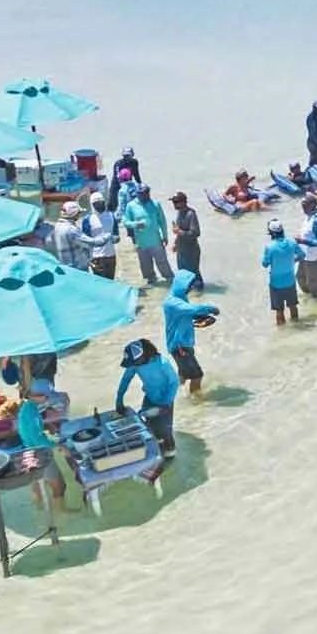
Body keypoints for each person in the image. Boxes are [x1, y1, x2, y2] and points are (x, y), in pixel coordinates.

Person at [115, 338, 180, 457]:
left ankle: (170, 451)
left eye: (134, 362)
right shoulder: (135, 365)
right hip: (149, 397)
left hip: (166, 400)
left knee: (166, 431)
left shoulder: (162, 363)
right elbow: (126, 380)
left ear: (143, 357)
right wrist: (119, 399)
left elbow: (174, 382)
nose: (132, 365)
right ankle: (156, 449)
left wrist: (166, 403)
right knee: (149, 427)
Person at [161, 270, 217, 398]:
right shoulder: (172, 301)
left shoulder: (181, 298)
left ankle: (171, 398)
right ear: (182, 285)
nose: (190, 288)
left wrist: (204, 318)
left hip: (183, 343)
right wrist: (212, 309)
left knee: (183, 376)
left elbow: (189, 314)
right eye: (189, 286)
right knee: (197, 375)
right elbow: (190, 309)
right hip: (179, 345)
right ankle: (196, 402)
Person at [125, 183, 173, 285]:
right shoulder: (131, 206)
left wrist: (165, 236)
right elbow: (125, 222)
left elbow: (162, 222)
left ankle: (170, 282)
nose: (145, 195)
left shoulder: (156, 204)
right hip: (141, 243)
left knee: (163, 265)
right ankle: (153, 288)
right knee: (146, 268)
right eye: (142, 193)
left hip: (156, 241)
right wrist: (135, 224)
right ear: (137, 194)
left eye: (147, 193)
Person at [261, 218, 301, 327]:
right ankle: (296, 325)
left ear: (271, 233)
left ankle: (281, 331)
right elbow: (302, 255)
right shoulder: (292, 243)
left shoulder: (269, 247)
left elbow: (265, 264)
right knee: (293, 306)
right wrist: (292, 260)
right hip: (290, 281)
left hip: (276, 283)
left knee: (279, 310)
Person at [50, 200, 107, 272]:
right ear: (73, 213)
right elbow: (92, 242)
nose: (79, 215)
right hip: (76, 269)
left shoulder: (57, 226)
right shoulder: (71, 230)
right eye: (78, 213)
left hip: (65, 268)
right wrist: (107, 237)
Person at [169, 191, 204, 292]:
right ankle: (188, 294)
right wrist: (176, 243)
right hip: (181, 249)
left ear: (183, 202)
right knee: (183, 274)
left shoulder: (191, 214)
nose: (174, 204)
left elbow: (196, 233)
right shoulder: (179, 213)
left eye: (176, 202)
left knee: (194, 274)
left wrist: (179, 232)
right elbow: (179, 231)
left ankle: (199, 295)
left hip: (191, 250)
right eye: (173, 202)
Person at [296, 195, 317, 301]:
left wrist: (303, 241)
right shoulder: (308, 216)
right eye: (302, 205)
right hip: (304, 254)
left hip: (313, 256)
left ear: (312, 205)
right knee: (300, 277)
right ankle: (310, 299)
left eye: (304, 205)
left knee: (314, 284)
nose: (302, 207)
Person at [84, 192, 121, 280]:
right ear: (92, 205)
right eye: (97, 204)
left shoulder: (111, 216)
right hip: (96, 257)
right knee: (100, 281)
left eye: (101, 202)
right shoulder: (88, 219)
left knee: (111, 281)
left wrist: (115, 239)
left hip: (111, 255)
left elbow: (116, 235)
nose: (100, 205)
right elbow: (86, 240)